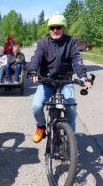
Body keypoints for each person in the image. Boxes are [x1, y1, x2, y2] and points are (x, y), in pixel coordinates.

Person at [27, 14, 92, 143]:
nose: (55, 30)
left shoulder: (71, 42)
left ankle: (70, 138)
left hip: (65, 81)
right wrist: (33, 71)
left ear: (64, 28)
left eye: (58, 27)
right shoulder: (43, 43)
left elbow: (77, 60)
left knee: (71, 109)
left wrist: (83, 77)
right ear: (49, 29)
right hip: (47, 81)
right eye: (52, 28)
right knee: (36, 106)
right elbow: (36, 58)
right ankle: (40, 127)